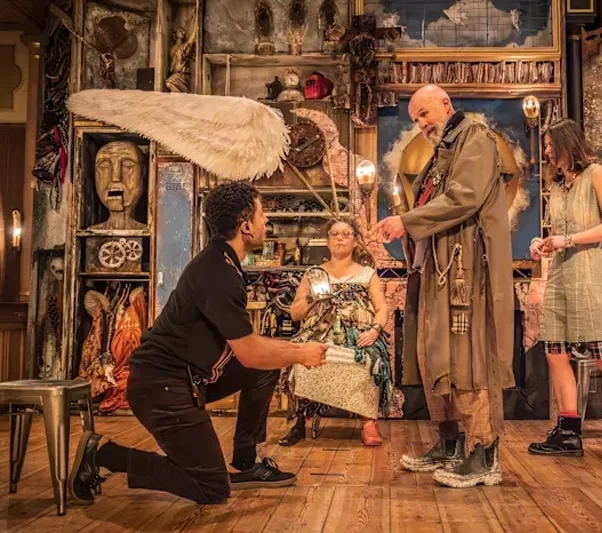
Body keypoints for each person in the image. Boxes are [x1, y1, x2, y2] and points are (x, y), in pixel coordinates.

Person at [68, 181, 329, 505]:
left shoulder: (224, 262)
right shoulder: (218, 271)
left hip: (185, 379)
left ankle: (246, 462)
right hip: (161, 387)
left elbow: (253, 355)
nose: (267, 221)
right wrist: (301, 353)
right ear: (245, 227)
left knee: (265, 370)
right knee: (212, 488)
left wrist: (290, 352)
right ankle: (104, 454)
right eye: (262, 214)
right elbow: (250, 353)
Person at [373, 84, 514, 488]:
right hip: (435, 270)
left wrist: (406, 222)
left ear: (446, 105)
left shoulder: (475, 138)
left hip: (464, 270)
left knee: (468, 359)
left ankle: (483, 453)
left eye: (425, 113)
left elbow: (464, 197)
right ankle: (450, 443)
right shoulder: (442, 151)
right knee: (433, 356)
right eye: (415, 119)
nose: (421, 124)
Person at [528, 118, 602, 462]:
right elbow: (558, 230)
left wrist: (567, 240)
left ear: (566, 144)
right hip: (563, 276)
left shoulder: (597, 174)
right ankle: (568, 431)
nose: (547, 151)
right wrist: (541, 243)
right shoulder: (558, 186)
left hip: (594, 275)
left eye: (550, 145)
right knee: (555, 352)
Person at [278, 218, 391, 447]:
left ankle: (368, 422)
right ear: (328, 242)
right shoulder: (314, 273)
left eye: (346, 234)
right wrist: (313, 297)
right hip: (320, 333)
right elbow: (295, 314)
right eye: (334, 234)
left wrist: (374, 331)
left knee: (371, 357)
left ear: (355, 242)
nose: (340, 238)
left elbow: (382, 309)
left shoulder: (367, 274)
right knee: (300, 357)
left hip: (358, 334)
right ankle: (299, 421)